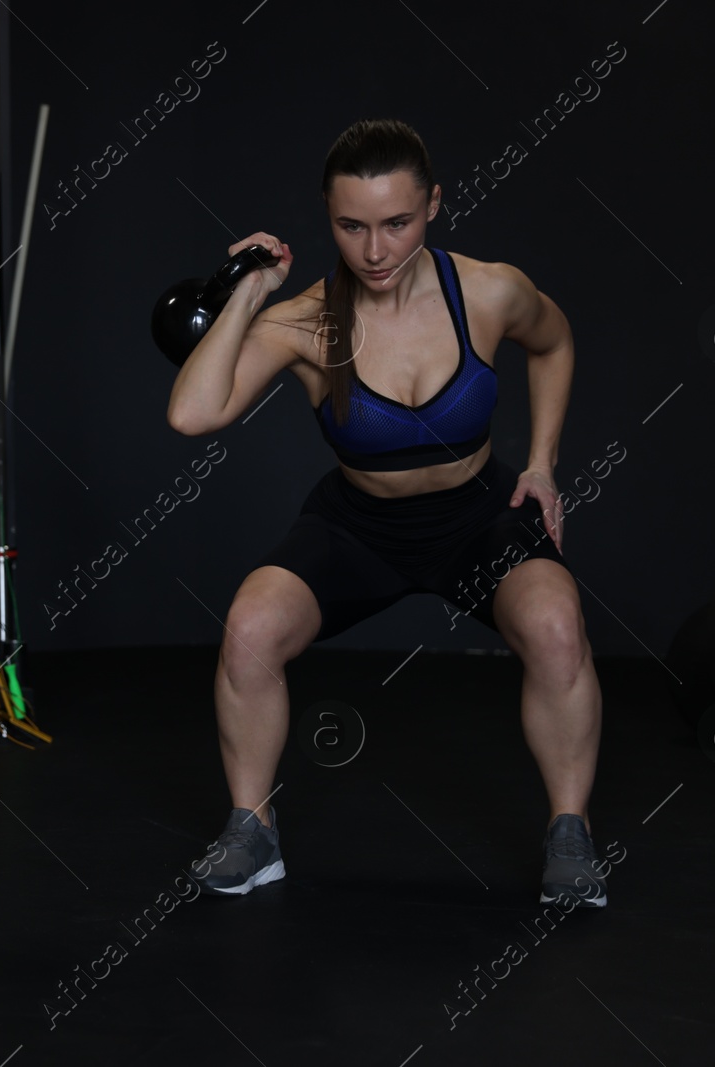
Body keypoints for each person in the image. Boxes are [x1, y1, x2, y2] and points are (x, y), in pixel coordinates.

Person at [166, 118, 607, 907]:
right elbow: (194, 414)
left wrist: (541, 463)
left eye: (397, 223)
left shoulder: (489, 291)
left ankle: (569, 833)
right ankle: (252, 829)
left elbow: (557, 342)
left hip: (479, 518)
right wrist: (250, 293)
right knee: (250, 627)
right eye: (352, 226)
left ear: (433, 204)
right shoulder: (305, 319)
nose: (375, 251)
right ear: (327, 216)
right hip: (357, 527)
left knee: (557, 627)